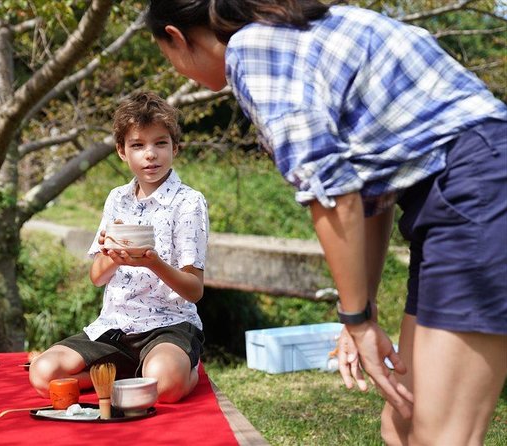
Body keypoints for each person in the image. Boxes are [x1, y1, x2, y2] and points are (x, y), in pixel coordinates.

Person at [145, 0, 507, 444]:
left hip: (479, 188)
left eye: (168, 58)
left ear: (177, 37)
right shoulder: (292, 32)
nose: (179, 72)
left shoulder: (253, 49)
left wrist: (356, 320)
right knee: (402, 421)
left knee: (440, 435)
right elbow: (367, 198)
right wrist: (363, 312)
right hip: (455, 195)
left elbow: (332, 195)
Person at [29, 91, 209, 403]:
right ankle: (131, 378)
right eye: (138, 145)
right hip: (115, 326)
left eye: (160, 143)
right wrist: (112, 256)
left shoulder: (188, 202)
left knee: (165, 386)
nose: (149, 154)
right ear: (122, 151)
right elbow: (97, 277)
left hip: (170, 325)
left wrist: (152, 262)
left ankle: (183, 372)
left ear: (175, 148)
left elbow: (194, 290)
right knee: (43, 373)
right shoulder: (117, 198)